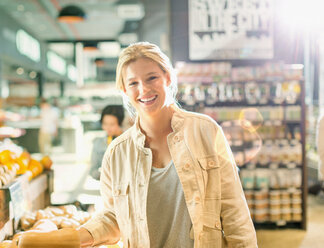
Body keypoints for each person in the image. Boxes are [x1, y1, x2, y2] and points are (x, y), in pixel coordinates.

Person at [78, 42, 257, 247]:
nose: (143, 89)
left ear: (168, 77)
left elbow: (234, 211)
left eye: (151, 78)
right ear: (124, 90)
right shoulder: (117, 153)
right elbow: (113, 217)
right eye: (133, 83)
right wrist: (70, 238)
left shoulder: (205, 131)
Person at [90, 105, 125, 180]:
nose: (107, 128)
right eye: (105, 124)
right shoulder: (98, 143)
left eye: (112, 124)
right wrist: (104, 176)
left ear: (120, 123)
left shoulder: (129, 142)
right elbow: (93, 170)